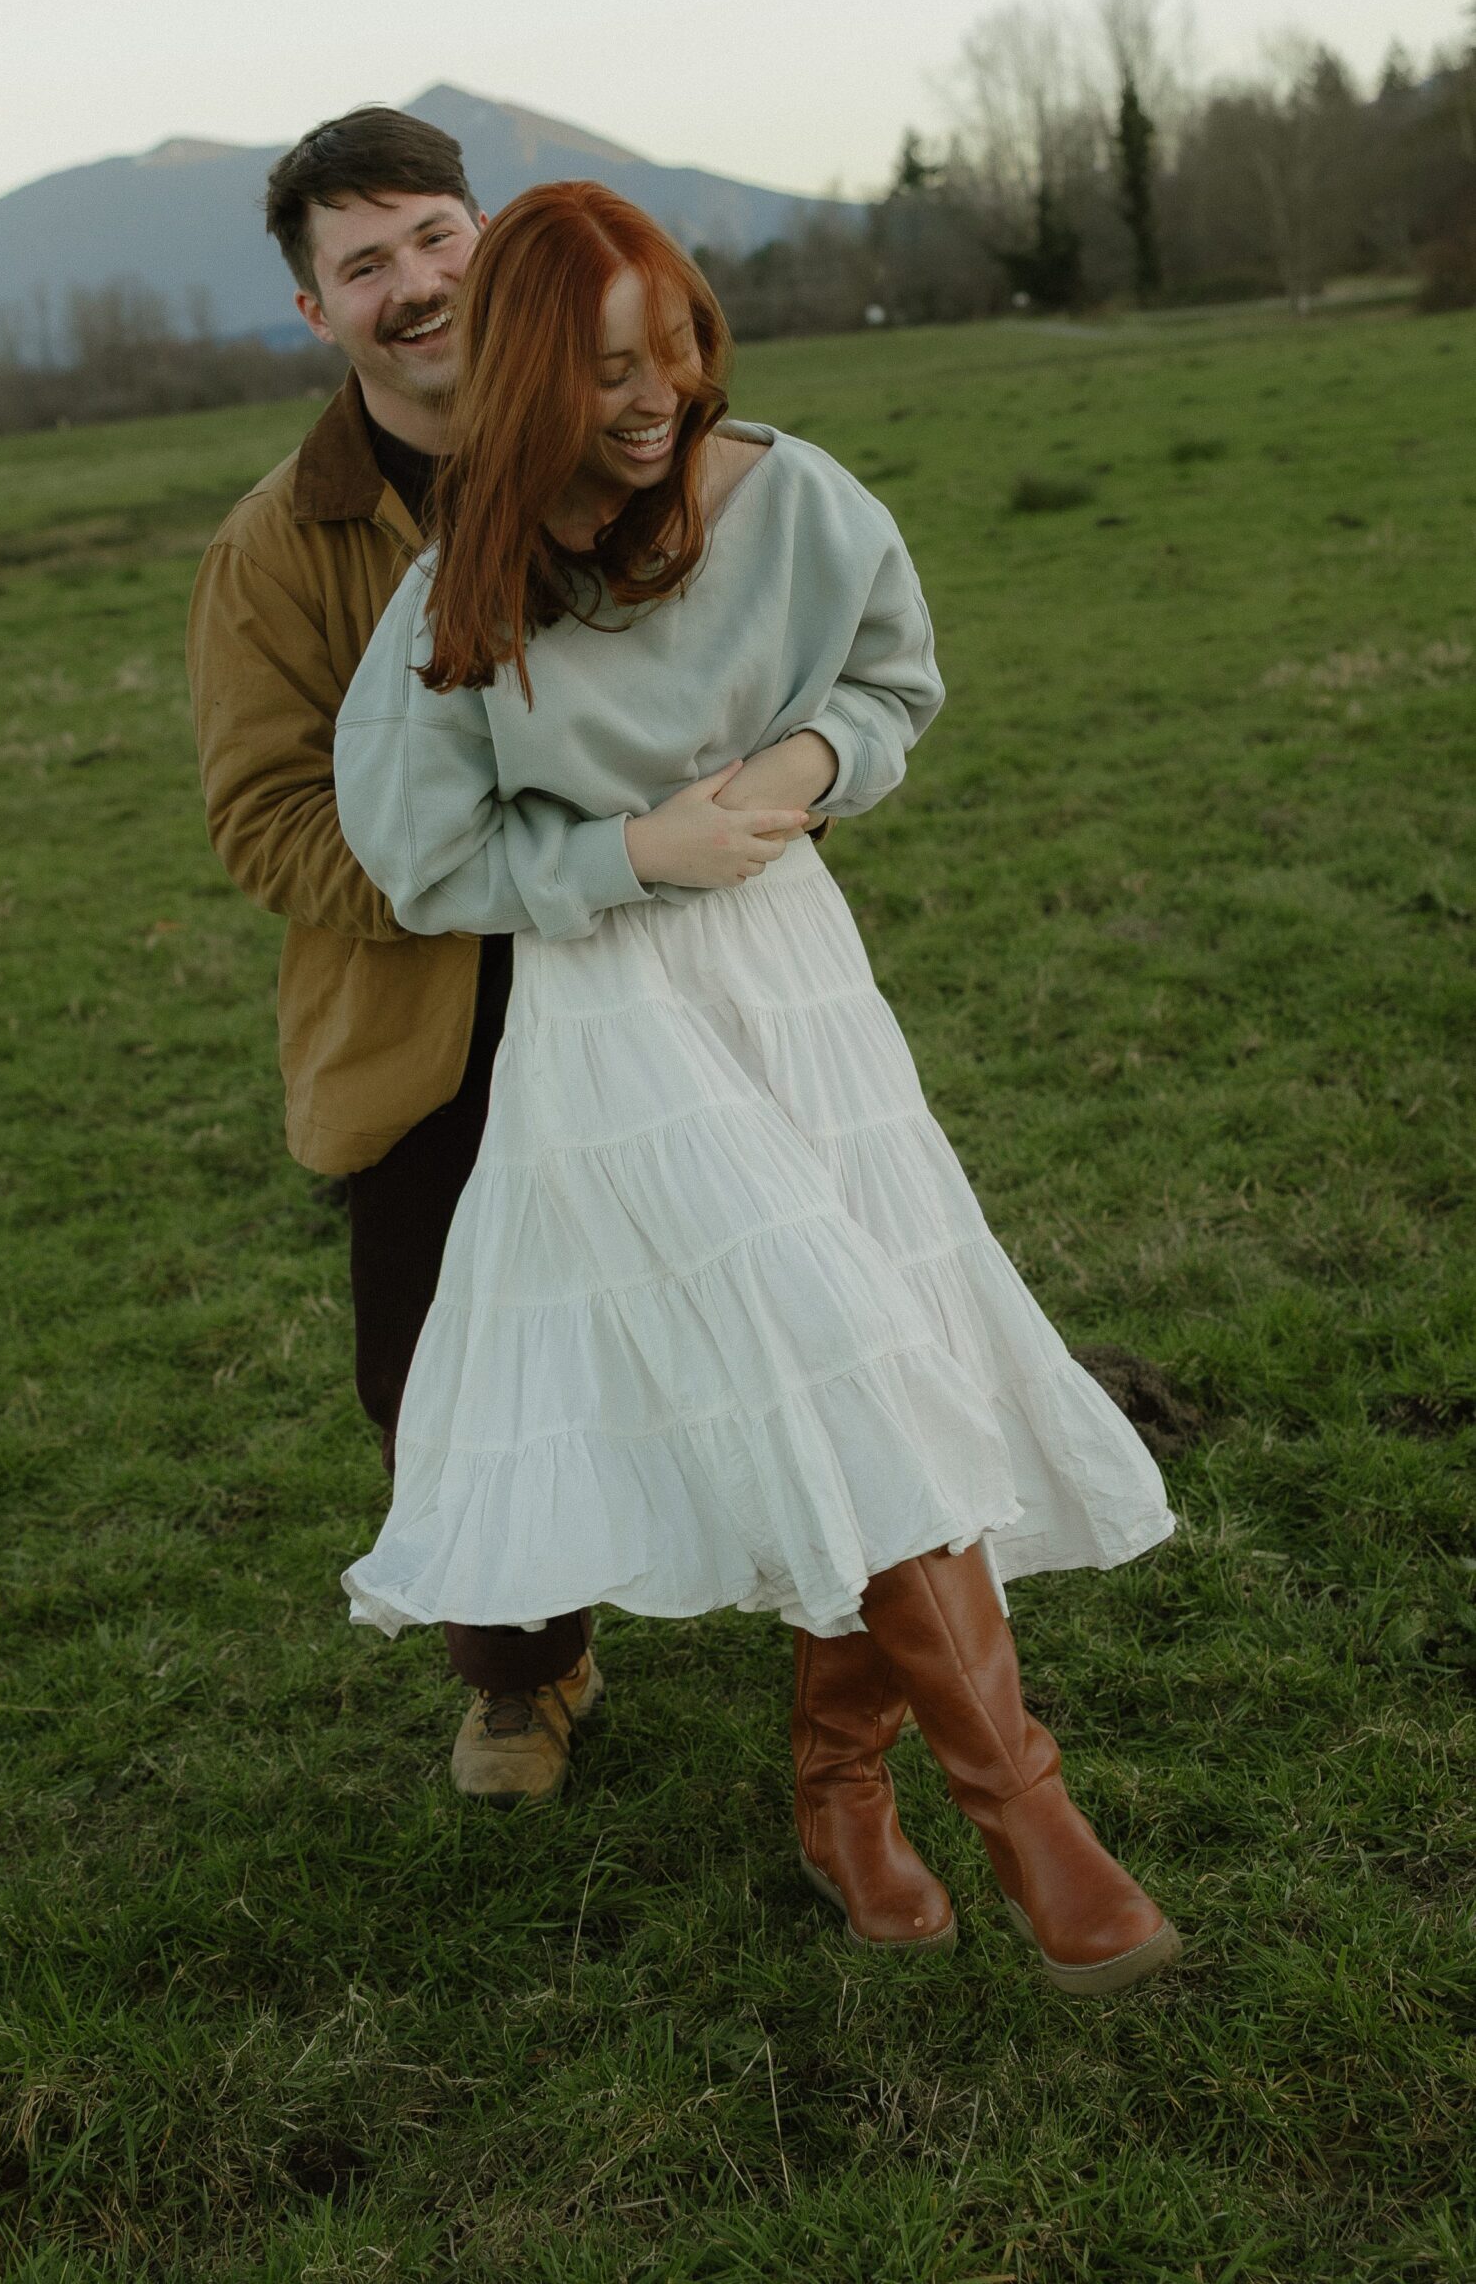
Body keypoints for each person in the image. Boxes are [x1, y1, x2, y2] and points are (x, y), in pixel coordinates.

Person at [331, 181, 1184, 1996]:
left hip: (797, 976)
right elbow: (421, 857)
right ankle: (1028, 1814)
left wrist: (800, 758)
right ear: (529, 377)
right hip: (618, 1017)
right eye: (611, 370)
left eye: (682, 347)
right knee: (849, 1366)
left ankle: (837, 1790)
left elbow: (894, 683)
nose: (658, 399)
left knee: (878, 1359)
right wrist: (636, 843)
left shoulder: (795, 496)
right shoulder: (456, 588)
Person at [188, 110, 772, 1806]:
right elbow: (266, 822)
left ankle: (855, 1651)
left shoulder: (649, 440)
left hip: (679, 966)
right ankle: (522, 1673)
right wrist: (517, 877)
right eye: (364, 266)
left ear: (493, 236)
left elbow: (776, 681)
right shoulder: (278, 546)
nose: (418, 286)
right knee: (443, 1363)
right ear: (317, 313)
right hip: (433, 1008)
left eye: (438, 238)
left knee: (777, 1301)